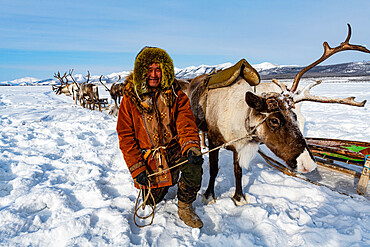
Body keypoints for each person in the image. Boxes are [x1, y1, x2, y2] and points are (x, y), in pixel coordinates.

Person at [116, 47, 204, 228]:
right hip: (149, 159)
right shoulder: (130, 98)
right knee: (151, 202)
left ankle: (185, 206)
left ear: (165, 70)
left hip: (174, 150)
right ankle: (160, 185)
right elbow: (125, 136)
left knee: (194, 165)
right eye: (149, 70)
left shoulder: (176, 94)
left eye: (158, 69)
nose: (154, 75)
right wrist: (137, 168)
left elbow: (186, 123)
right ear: (142, 71)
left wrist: (191, 147)